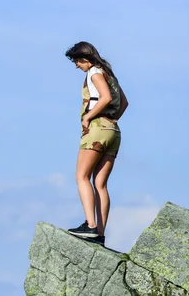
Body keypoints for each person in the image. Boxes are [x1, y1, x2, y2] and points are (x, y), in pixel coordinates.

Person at [64, 41, 129, 246]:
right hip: (113, 131)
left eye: (77, 61)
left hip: (97, 129)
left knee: (81, 176)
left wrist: (88, 117)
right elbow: (124, 103)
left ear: (85, 58)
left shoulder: (94, 72)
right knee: (100, 184)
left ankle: (90, 226)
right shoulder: (110, 74)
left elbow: (106, 97)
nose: (76, 66)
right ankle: (100, 234)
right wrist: (111, 119)